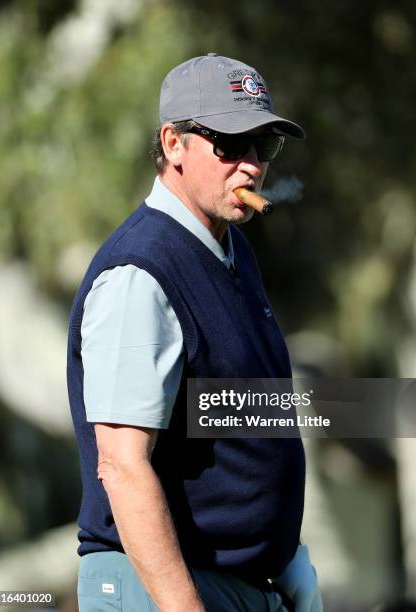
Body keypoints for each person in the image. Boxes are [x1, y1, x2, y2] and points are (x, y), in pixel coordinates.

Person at [67, 53, 323, 612]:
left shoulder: (232, 253)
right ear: (174, 143)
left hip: (238, 587)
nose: (252, 166)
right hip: (158, 591)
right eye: (230, 145)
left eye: (264, 145)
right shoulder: (140, 272)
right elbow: (123, 466)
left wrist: (287, 557)